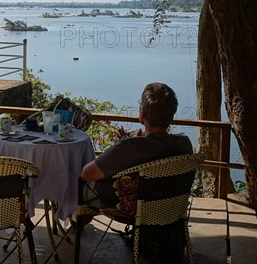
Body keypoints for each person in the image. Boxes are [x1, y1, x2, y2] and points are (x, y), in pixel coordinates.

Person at [80, 82, 193, 263]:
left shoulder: (129, 147)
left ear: (142, 115)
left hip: (133, 211)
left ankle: (76, 220)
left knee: (83, 185)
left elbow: (87, 173)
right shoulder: (184, 144)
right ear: (171, 116)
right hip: (171, 208)